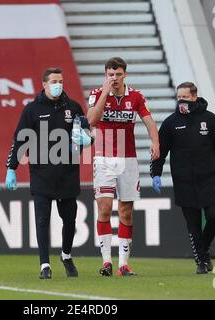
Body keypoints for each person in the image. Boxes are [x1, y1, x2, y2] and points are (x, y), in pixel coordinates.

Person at [5, 67, 92, 279]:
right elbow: (20, 140)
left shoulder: (73, 107)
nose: (58, 84)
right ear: (44, 84)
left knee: (70, 220)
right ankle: (44, 264)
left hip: (68, 172)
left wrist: (88, 139)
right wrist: (11, 168)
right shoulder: (32, 110)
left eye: (60, 80)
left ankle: (66, 255)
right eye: (54, 81)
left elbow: (87, 132)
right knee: (42, 220)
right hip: (42, 173)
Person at [150, 82, 215, 274]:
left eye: (185, 97)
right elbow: (160, 151)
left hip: (209, 179)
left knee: (214, 216)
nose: (181, 101)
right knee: (193, 224)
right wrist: (155, 173)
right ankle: (201, 261)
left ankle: (203, 251)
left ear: (194, 97)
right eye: (179, 97)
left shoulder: (210, 119)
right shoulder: (171, 122)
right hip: (184, 182)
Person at [86, 57, 160, 277]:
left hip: (128, 160)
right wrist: (105, 94)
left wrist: (155, 143)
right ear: (105, 75)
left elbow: (149, 121)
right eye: (110, 74)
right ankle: (106, 261)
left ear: (125, 74)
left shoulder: (136, 96)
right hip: (103, 158)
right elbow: (91, 120)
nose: (114, 78)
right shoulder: (97, 94)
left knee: (126, 213)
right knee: (105, 208)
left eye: (118, 74)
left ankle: (123, 264)